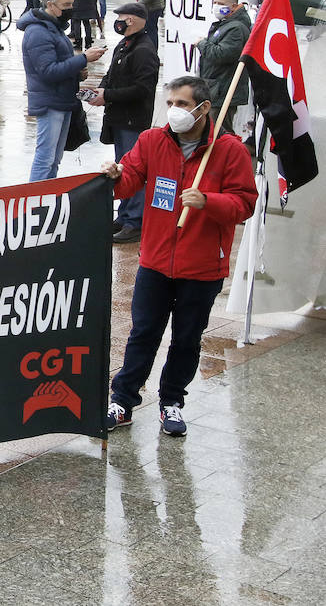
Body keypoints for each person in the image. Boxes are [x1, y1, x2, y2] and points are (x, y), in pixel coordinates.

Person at [101, 76, 256, 437]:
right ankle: (122, 400)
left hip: (201, 267)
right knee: (143, 333)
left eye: (183, 104)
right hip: (155, 261)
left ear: (204, 109)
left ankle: (172, 401)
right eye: (170, 103)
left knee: (187, 338)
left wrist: (209, 201)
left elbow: (244, 203)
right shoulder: (152, 140)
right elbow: (129, 181)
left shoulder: (229, 150)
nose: (174, 111)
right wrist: (113, 178)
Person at [18, 0, 107, 181]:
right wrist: (83, 59)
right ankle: (35, 200)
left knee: (54, 158)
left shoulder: (54, 28)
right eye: (66, 5)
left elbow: (59, 65)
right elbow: (48, 71)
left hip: (62, 99)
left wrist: (77, 72)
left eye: (71, 4)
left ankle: (47, 197)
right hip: (50, 102)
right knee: (45, 157)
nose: (71, 9)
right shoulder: (38, 32)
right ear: (50, 5)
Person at [87, 3, 159, 242]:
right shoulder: (126, 44)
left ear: (135, 20)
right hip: (120, 117)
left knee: (134, 169)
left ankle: (135, 221)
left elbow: (142, 88)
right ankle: (125, 215)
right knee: (122, 168)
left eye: (122, 18)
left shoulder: (144, 49)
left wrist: (107, 95)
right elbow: (113, 75)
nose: (119, 22)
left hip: (133, 120)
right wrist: (102, 89)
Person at [195, 0, 252, 126]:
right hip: (215, 89)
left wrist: (202, 44)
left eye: (221, 3)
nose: (216, 6)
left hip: (222, 91)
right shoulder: (226, 24)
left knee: (220, 131)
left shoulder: (236, 28)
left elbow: (221, 54)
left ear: (233, 6)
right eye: (215, 2)